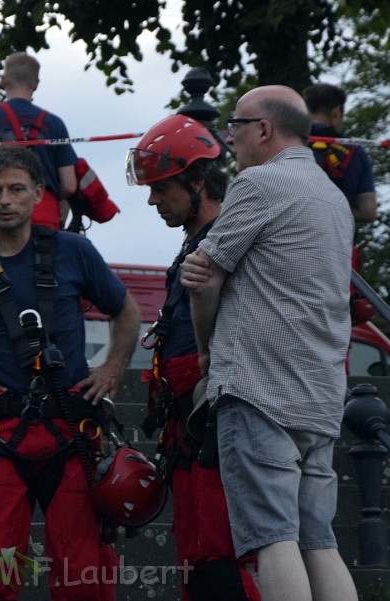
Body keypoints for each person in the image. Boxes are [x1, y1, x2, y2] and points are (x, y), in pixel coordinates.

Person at [0, 146, 140, 600]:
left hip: (73, 431)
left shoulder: (75, 252)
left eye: (17, 189)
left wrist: (113, 369)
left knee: (83, 575)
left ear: (38, 193)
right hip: (3, 435)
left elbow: (126, 309)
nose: (5, 200)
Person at [180, 86, 358, 601]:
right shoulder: (333, 197)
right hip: (320, 389)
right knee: (318, 541)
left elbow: (206, 275)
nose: (228, 138)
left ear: (263, 129)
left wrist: (207, 351)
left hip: (259, 386)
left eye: (235, 125)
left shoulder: (258, 183)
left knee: (273, 539)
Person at [126, 114, 261, 601]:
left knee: (220, 562)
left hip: (214, 424)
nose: (152, 199)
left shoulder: (227, 242)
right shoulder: (195, 246)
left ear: (198, 181)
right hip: (188, 429)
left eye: (162, 188)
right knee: (199, 563)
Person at [0, 52, 78, 233]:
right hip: (45, 219)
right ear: (36, 84)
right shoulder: (54, 124)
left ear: (3, 81)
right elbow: (69, 185)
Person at [302, 83, 377, 223]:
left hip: (289, 238)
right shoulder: (355, 152)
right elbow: (368, 212)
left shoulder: (287, 141)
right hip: (338, 241)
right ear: (336, 111)